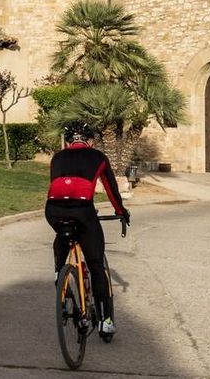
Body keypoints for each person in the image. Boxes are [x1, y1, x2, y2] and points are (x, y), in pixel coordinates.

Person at [46, 123, 129, 335]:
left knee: (62, 235)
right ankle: (105, 320)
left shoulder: (57, 157)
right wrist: (121, 211)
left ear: (67, 142)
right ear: (90, 142)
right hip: (82, 211)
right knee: (95, 264)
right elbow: (111, 189)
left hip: (54, 211)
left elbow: (56, 186)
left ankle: (59, 276)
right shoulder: (97, 157)